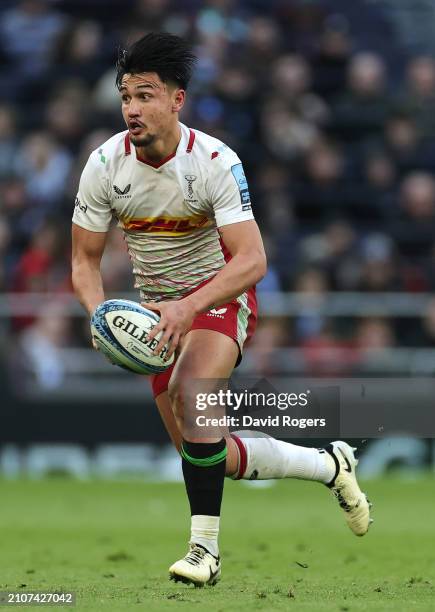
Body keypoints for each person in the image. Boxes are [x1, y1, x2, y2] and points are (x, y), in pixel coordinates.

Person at [71, 32, 372, 587]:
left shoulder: (212, 161)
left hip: (218, 299)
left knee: (193, 399)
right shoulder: (104, 165)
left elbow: (253, 260)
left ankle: (203, 552)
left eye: (145, 95)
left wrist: (188, 307)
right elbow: (84, 263)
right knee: (206, 450)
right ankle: (331, 464)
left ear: (176, 100)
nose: (131, 108)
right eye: (125, 97)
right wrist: (97, 314)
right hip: (158, 316)